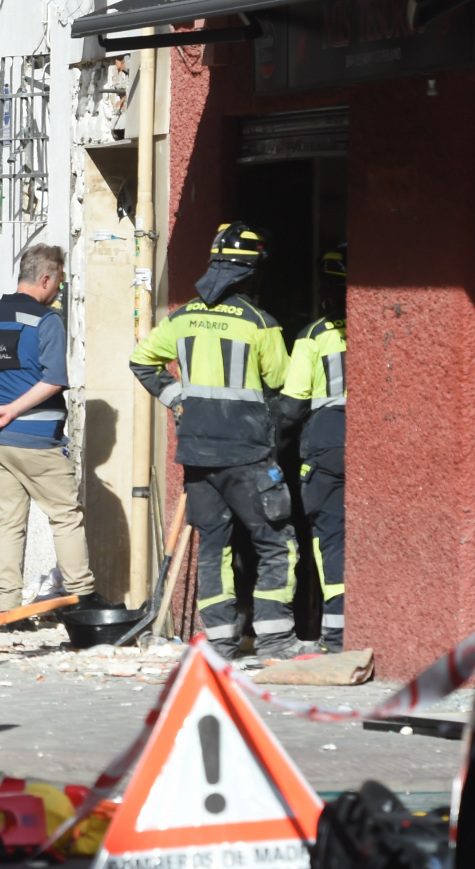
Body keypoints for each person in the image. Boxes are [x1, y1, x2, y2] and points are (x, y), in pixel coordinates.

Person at [131, 223, 298, 661]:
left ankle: (221, 643)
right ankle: (276, 640)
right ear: (252, 273)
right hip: (248, 452)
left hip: (197, 453)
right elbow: (281, 382)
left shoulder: (182, 317)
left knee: (213, 547)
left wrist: (178, 401)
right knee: (276, 541)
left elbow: (141, 361)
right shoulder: (260, 323)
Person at [0, 244, 102, 618]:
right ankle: (83, 598)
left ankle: (9, 610)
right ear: (45, 278)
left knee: (10, 523)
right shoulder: (46, 321)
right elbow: (55, 380)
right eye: (58, 282)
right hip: (36, 441)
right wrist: (14, 410)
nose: (58, 290)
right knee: (65, 516)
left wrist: (5, 408)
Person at [278, 243, 348, 652]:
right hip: (374, 441)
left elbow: (291, 406)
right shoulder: (383, 326)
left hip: (328, 442)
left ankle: (337, 637)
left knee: (331, 538)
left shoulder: (315, 335)